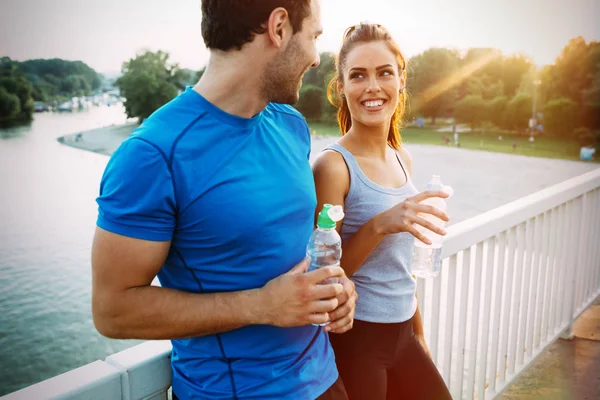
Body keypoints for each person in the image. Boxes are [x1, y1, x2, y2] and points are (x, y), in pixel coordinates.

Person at [91, 1, 357, 399]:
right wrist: (260, 306)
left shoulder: (290, 125)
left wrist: (337, 288)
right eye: (314, 37)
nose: (318, 59)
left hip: (326, 380)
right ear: (279, 27)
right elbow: (112, 310)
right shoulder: (152, 154)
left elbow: (286, 247)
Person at [312, 23, 452, 399]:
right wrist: (379, 225)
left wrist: (418, 334)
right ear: (341, 87)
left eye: (384, 73)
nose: (372, 86)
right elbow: (325, 275)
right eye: (358, 75)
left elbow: (403, 267)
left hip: (404, 333)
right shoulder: (333, 166)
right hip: (358, 342)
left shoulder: (401, 157)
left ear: (401, 80)